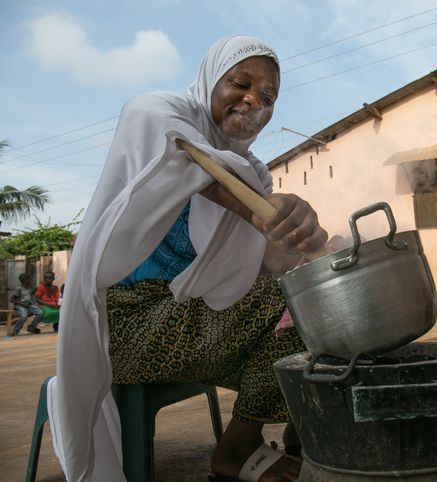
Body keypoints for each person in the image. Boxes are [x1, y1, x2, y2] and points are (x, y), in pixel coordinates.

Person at [48, 35, 329, 482]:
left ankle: (300, 441)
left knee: (314, 308)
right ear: (209, 80)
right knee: (292, 305)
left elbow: (262, 259)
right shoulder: (156, 114)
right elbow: (180, 154)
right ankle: (237, 452)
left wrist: (304, 239)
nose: (253, 100)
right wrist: (259, 210)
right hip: (124, 324)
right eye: (240, 83)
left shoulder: (252, 172)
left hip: (186, 316)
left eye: (268, 96)